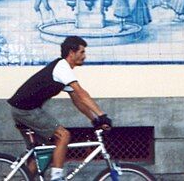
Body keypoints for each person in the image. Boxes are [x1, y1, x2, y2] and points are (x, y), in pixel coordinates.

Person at [8, 36, 111, 181]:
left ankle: (27, 178)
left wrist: (94, 119)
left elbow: (77, 100)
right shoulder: (62, 67)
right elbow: (81, 93)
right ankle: (56, 178)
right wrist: (102, 115)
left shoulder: (62, 69)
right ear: (71, 52)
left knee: (46, 149)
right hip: (26, 110)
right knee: (63, 135)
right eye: (81, 52)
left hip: (22, 108)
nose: (84, 56)